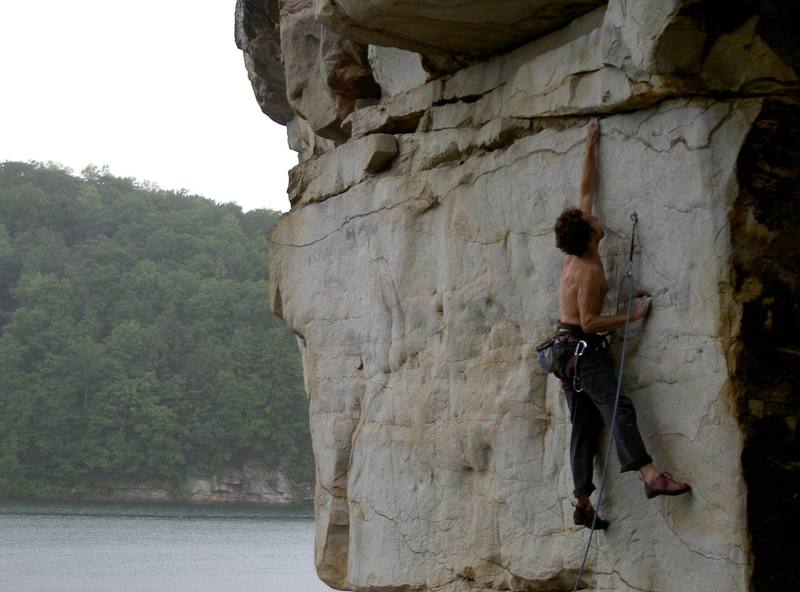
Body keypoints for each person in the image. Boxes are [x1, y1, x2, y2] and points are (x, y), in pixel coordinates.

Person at [552, 118, 690, 530]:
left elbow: (587, 188)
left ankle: (581, 502)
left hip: (563, 352)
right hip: (582, 351)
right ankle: (651, 477)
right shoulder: (590, 273)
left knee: (583, 425)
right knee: (617, 408)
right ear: (592, 234)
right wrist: (630, 316)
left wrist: (591, 141)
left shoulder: (576, 253)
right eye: (593, 220)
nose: (596, 217)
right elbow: (591, 322)